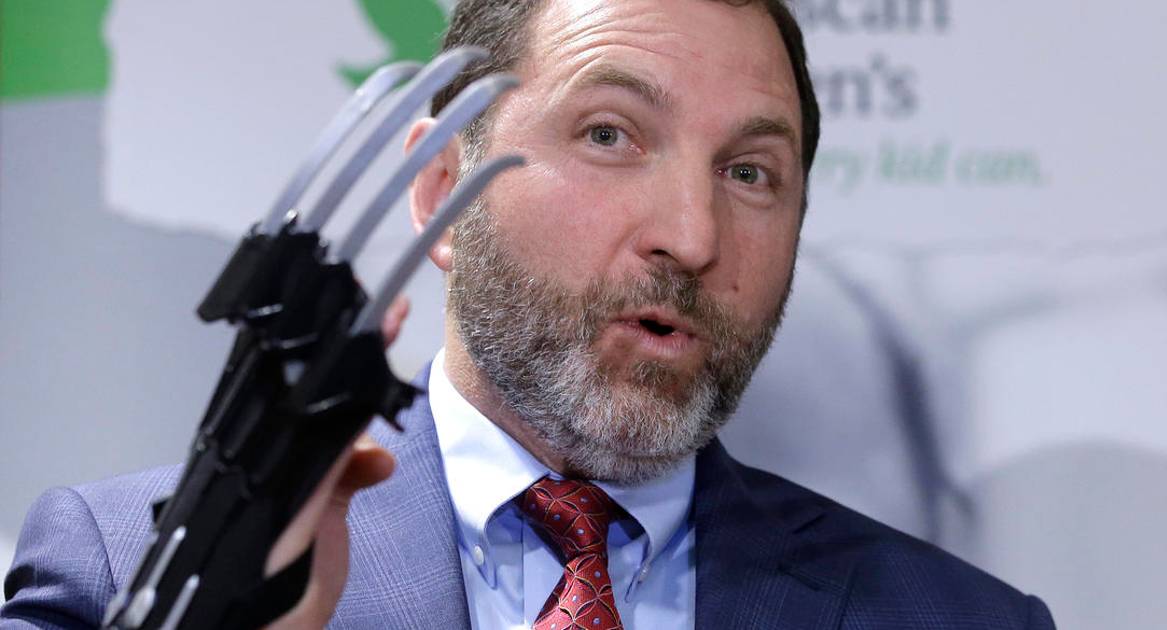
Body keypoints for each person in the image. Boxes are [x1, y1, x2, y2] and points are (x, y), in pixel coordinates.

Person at [2, 0, 1056, 628]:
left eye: (749, 172)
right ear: (439, 190)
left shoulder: (965, 622)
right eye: (608, 134)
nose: (692, 235)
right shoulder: (121, 573)